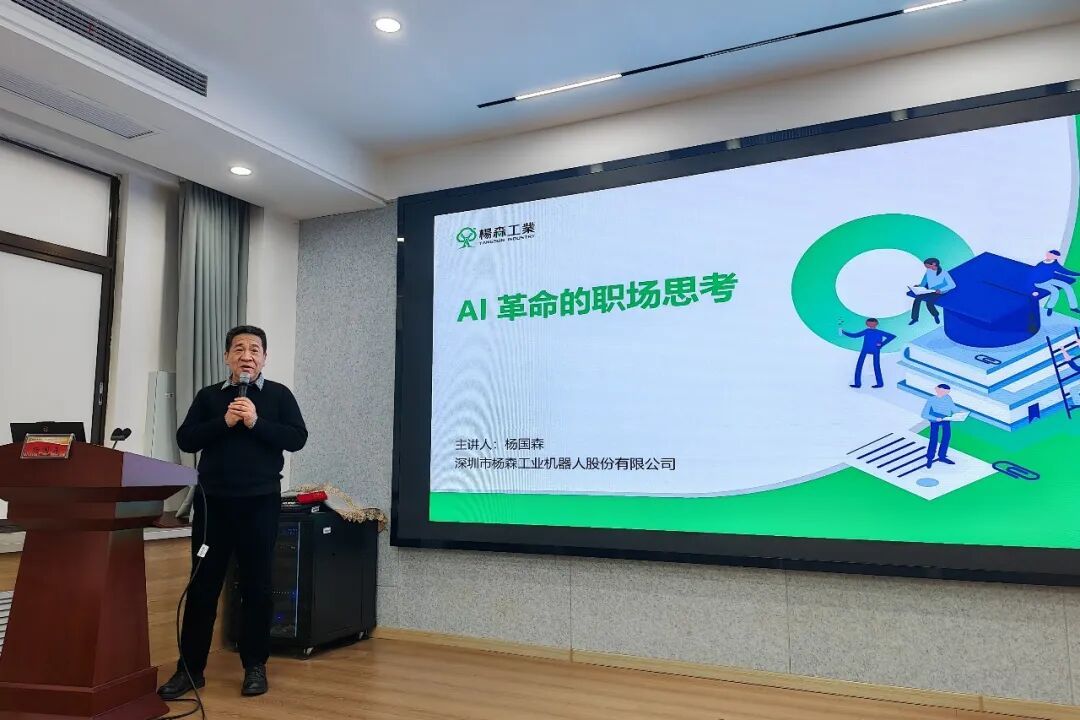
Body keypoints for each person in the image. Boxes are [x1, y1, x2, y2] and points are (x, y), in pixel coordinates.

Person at [158, 325, 307, 700]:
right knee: (202, 587)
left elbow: (297, 438)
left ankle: (255, 666)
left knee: (257, 587)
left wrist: (256, 422)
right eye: (239, 349)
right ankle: (190, 670)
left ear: (264, 358)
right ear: (226, 357)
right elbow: (186, 438)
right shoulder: (210, 397)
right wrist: (223, 423)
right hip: (214, 505)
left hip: (259, 504)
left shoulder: (278, 395)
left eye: (255, 350)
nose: (247, 356)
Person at [841, 317, 896, 388]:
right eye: (869, 324)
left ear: (876, 324)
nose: (871, 325)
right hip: (867, 349)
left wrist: (882, 344)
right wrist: (844, 332)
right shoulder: (867, 331)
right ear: (867, 324)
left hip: (874, 349)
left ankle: (879, 383)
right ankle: (858, 383)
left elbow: (892, 336)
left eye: (873, 324)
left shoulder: (878, 332)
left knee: (875, 366)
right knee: (860, 365)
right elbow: (855, 335)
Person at [1030, 249, 1080, 316]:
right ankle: (1050, 307)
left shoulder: (1055, 263)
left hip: (1049, 280)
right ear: (1047, 254)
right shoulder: (1040, 265)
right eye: (1051, 255)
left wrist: (1078, 274)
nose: (1052, 257)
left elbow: (1064, 271)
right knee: (1055, 291)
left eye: (1054, 257)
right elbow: (1033, 277)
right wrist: (1034, 290)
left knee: (1067, 286)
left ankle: (1073, 307)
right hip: (1040, 283)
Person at [909, 257, 955, 326]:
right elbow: (924, 281)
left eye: (928, 266)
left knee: (929, 303)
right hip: (930, 290)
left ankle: (935, 315)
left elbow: (952, 285)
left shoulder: (944, 273)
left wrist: (941, 290)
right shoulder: (928, 271)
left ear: (934, 264)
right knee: (917, 299)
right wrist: (920, 287)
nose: (927, 268)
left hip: (939, 291)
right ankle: (915, 318)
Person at [921, 384, 956, 468]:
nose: (945, 394)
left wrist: (960, 413)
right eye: (943, 391)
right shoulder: (932, 400)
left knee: (946, 437)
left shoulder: (948, 398)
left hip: (946, 419)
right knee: (934, 439)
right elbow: (924, 414)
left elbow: (953, 408)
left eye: (947, 392)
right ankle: (930, 458)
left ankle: (942, 456)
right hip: (935, 420)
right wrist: (936, 419)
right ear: (937, 389)